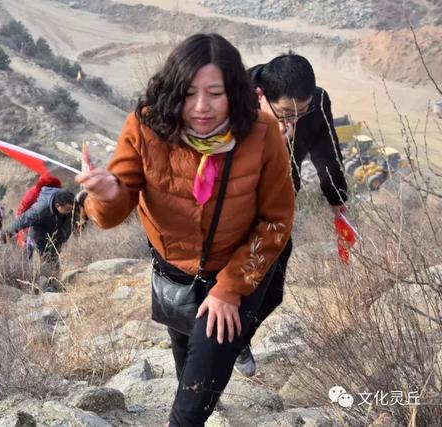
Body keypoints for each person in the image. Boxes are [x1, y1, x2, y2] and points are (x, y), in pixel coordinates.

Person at [76, 33, 295, 426]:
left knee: (195, 394)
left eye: (215, 93)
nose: (201, 107)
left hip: (238, 268)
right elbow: (111, 212)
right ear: (173, 90)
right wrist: (108, 194)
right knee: (187, 367)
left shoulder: (262, 134)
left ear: (235, 93)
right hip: (176, 268)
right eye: (189, 93)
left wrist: (229, 289)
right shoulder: (146, 127)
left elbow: (276, 221)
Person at [232, 53, 349, 377]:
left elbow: (328, 151)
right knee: (232, 282)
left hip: (280, 204)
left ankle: (238, 338)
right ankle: (208, 355)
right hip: (234, 205)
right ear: (261, 97)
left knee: (273, 289)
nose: (293, 122)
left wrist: (337, 198)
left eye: (302, 112)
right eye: (285, 113)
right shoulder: (233, 96)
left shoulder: (317, 103)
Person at [3, 188, 76, 281]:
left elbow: (71, 221)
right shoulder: (41, 209)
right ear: (57, 205)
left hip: (55, 238)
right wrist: (3, 235)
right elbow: (22, 220)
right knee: (26, 259)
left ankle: (50, 283)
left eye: (71, 209)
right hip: (38, 236)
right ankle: (27, 281)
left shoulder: (70, 204)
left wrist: (62, 238)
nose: (70, 212)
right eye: (68, 209)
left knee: (52, 267)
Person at [15, 173, 63, 248]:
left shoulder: (58, 195)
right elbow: (21, 210)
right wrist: (23, 230)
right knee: (27, 249)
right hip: (30, 226)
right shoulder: (32, 193)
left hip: (48, 227)